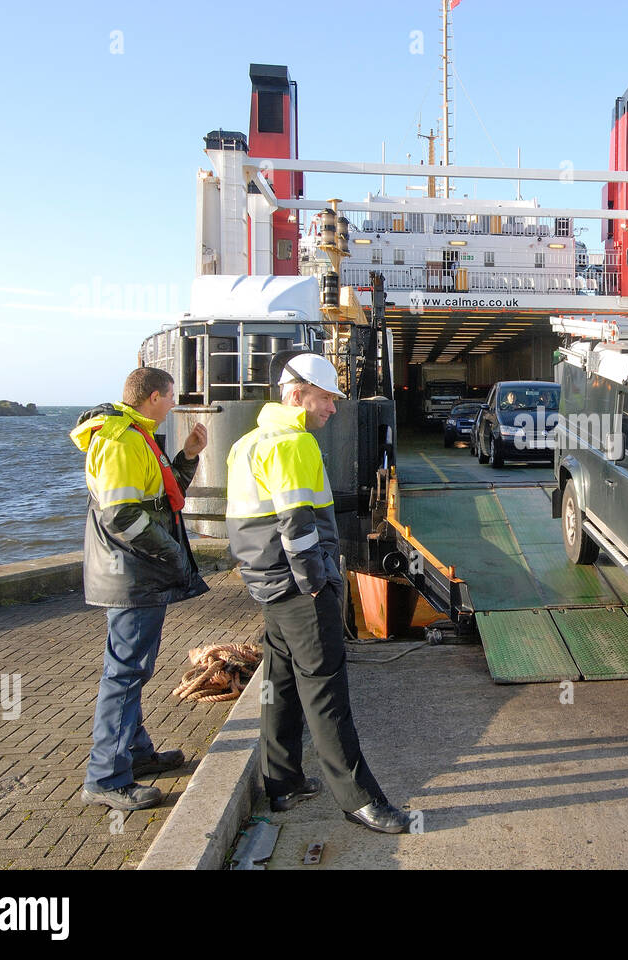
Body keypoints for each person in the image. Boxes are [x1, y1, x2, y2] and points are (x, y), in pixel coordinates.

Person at [225, 353, 410, 834]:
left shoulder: (247, 443)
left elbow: (249, 521)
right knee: (326, 686)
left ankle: (281, 782)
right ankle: (358, 799)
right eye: (325, 397)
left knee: (280, 681)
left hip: (266, 583)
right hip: (298, 587)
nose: (332, 408)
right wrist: (317, 585)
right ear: (295, 394)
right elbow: (298, 528)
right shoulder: (295, 444)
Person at [72, 367, 209, 811]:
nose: (174, 404)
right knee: (125, 672)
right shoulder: (122, 440)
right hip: (132, 574)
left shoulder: (136, 435)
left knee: (132, 667)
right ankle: (106, 778)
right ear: (153, 396)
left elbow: (163, 497)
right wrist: (173, 555)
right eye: (170, 396)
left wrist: (188, 455)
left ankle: (134, 753)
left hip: (135, 572)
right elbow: (121, 517)